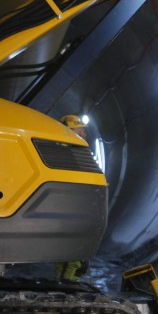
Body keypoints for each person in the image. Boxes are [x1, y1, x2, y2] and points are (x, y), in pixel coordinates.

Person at [56, 114, 91, 282]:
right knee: (76, 253)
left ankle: (60, 282)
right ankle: (69, 285)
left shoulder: (60, 150)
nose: (84, 135)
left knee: (65, 251)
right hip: (73, 208)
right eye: (80, 131)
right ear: (68, 132)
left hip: (66, 208)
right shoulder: (70, 151)